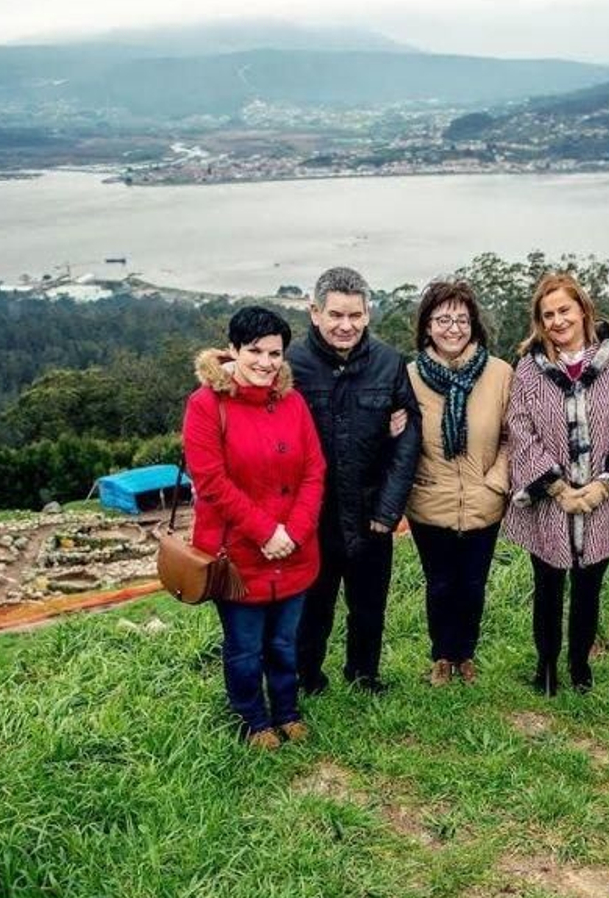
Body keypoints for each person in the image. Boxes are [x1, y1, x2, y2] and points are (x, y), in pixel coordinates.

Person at [504, 272, 609, 695]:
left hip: (601, 499)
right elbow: (520, 430)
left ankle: (580, 666)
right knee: (548, 586)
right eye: (547, 314)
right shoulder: (531, 369)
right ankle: (547, 666)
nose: (557, 321)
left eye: (564, 310)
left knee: (589, 587)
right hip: (551, 501)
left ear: (584, 310)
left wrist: (603, 486)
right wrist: (556, 487)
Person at [183, 306, 326, 749]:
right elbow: (211, 482)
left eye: (275, 353)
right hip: (238, 552)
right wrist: (266, 532)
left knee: (284, 643)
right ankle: (252, 717)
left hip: (294, 549)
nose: (266, 362)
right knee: (245, 646)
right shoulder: (206, 405)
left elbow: (313, 471)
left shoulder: (293, 401)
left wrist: (295, 532)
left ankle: (286, 709)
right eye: (255, 351)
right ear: (232, 350)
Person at [288, 267, 421, 695]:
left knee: (369, 606)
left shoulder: (388, 362)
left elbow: (409, 438)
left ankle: (364, 675)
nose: (346, 325)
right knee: (313, 605)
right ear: (315, 312)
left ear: (368, 314)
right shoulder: (291, 366)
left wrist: (389, 509)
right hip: (313, 515)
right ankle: (307, 677)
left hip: (370, 510)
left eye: (355, 315)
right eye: (336, 315)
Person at [406, 280, 513, 686]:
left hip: (484, 499)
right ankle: (441, 655)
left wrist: (495, 483)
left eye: (461, 319)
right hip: (430, 500)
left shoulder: (500, 373)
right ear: (427, 326)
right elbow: (399, 441)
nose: (453, 328)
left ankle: (465, 652)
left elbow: (513, 436)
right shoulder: (410, 376)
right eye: (443, 319)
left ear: (474, 324)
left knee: (472, 583)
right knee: (440, 583)